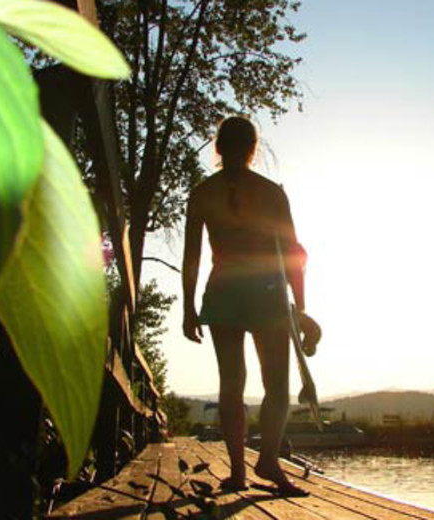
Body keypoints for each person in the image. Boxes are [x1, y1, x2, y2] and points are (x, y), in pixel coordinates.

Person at [182, 116, 308, 496]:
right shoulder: (271, 192)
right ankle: (267, 460)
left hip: (222, 291)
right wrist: (300, 307)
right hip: (266, 291)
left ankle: (238, 472)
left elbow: (192, 257)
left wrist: (188, 308)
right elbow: (293, 255)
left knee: (231, 384)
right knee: (277, 386)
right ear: (254, 148)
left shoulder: (202, 193)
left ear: (217, 148)